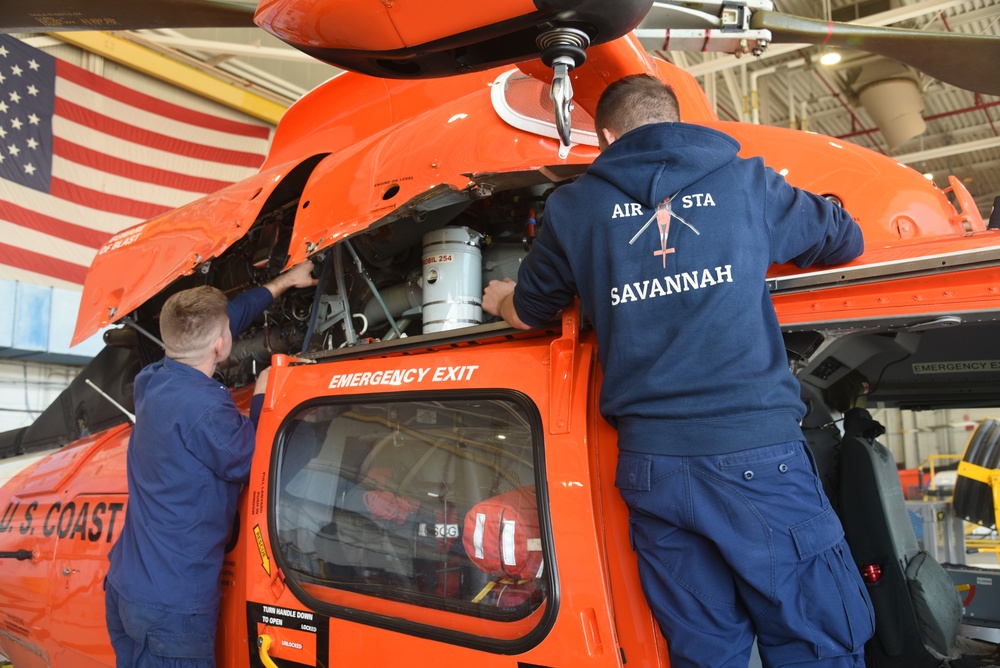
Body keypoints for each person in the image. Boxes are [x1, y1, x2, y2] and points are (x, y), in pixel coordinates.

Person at [483, 74, 875, 667]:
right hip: (757, 458)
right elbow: (845, 242)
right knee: (814, 636)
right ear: (679, 122)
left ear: (607, 135)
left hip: (653, 469)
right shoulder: (745, 182)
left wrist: (498, 298)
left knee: (703, 648)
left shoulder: (574, 208)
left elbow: (530, 313)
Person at [105, 261, 316, 668]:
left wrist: (285, 282)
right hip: (171, 608)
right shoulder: (205, 411)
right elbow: (258, 465)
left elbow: (226, 319)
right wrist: (264, 393)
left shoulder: (151, 379)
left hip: (125, 587)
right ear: (222, 345)